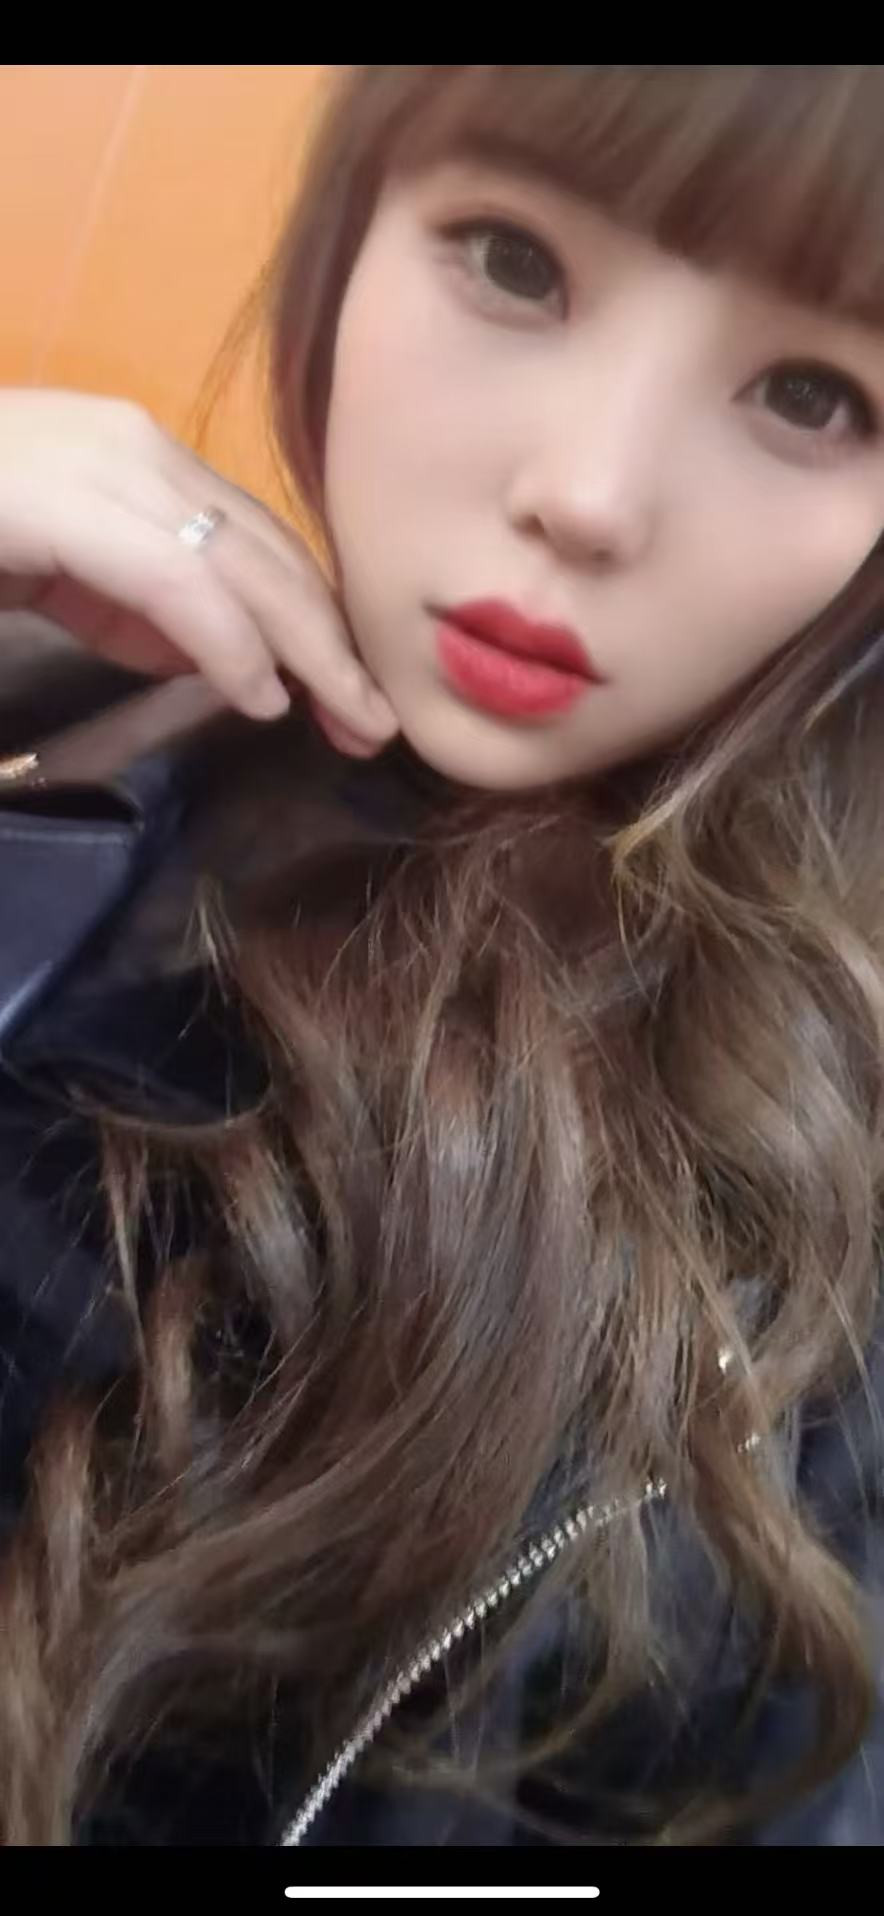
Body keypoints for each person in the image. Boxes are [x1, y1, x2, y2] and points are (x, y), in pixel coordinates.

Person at [0, 63, 883, 1849]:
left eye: (814, 395)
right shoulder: (77, 711)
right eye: (513, 260)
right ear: (350, 233)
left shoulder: (813, 1200)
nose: (588, 495)